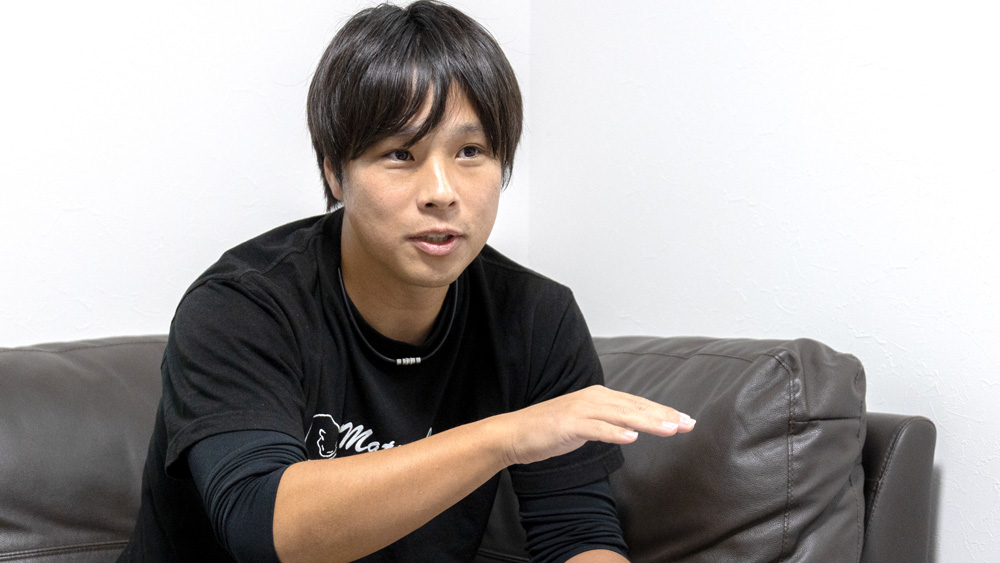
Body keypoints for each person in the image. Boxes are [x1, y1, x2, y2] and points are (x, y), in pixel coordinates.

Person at [118, 2, 695, 562]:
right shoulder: (242, 305)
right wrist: (507, 436)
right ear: (334, 172)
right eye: (400, 154)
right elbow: (263, 526)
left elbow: (576, 534)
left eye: (471, 151)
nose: (441, 192)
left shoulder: (536, 317)